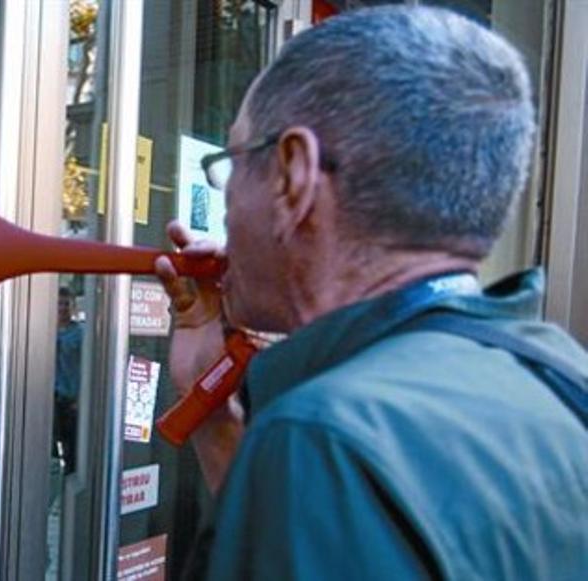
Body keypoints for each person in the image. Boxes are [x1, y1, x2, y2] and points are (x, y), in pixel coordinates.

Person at [153, 7, 588, 579]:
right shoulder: (561, 379)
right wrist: (215, 419)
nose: (227, 205)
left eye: (232, 163)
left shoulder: (320, 441)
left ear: (293, 174)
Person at [53, 287, 83, 473]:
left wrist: (81, 398)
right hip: (48, 400)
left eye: (66, 303)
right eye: (59, 303)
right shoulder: (44, 330)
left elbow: (87, 367)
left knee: (70, 449)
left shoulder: (80, 334)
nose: (62, 308)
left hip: (69, 400)